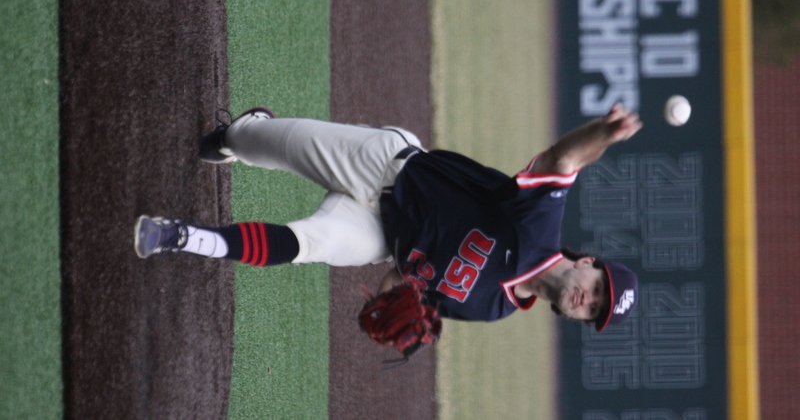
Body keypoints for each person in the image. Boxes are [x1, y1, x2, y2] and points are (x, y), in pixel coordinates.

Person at [134, 104, 641, 330]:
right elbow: (563, 159)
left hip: (376, 235)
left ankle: (180, 237)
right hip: (382, 163)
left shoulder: (492, 309)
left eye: (594, 311)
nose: (588, 299)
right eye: (598, 288)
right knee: (243, 140)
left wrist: (385, 303)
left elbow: (405, 280)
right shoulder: (538, 225)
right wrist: (604, 132)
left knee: (309, 245)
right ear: (588, 262)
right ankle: (245, 131)